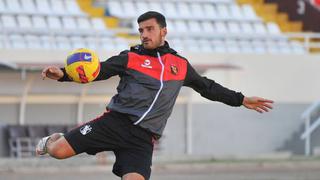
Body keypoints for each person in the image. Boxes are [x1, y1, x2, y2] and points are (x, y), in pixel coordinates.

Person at [36, 11, 274, 180]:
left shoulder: (180, 65)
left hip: (142, 138)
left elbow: (207, 87)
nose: (144, 34)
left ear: (163, 31)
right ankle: (54, 139)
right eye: (141, 30)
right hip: (114, 123)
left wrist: (241, 99)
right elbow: (100, 70)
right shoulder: (130, 58)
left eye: (149, 29)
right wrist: (64, 74)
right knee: (57, 152)